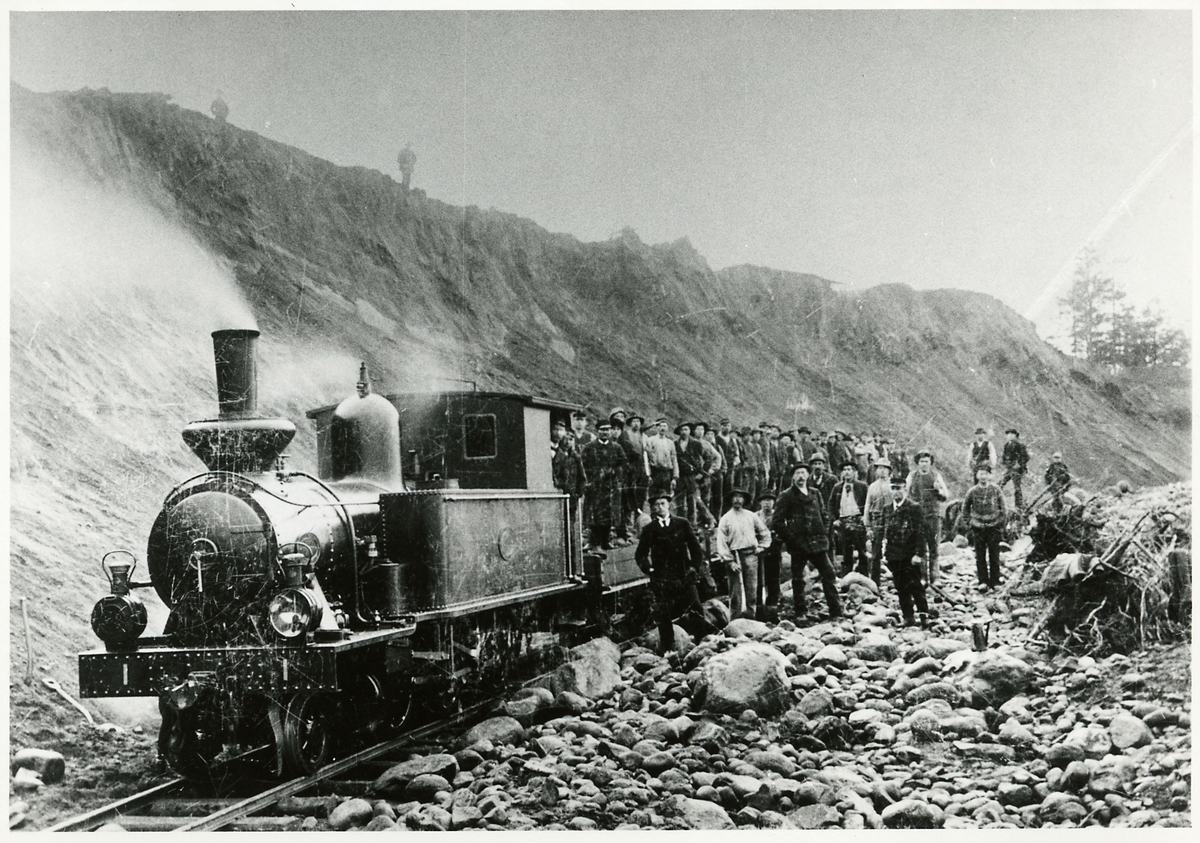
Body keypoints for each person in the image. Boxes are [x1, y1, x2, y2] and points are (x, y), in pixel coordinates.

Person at [635, 491, 710, 654]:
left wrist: (694, 567)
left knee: (696, 608)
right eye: (656, 505)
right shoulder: (649, 529)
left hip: (684, 575)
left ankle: (702, 643)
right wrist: (650, 569)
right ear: (653, 509)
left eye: (663, 503)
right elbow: (640, 555)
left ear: (669, 505)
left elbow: (695, 548)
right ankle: (668, 650)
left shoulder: (682, 523)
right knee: (663, 614)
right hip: (662, 579)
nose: (660, 507)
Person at [772, 463, 842, 623]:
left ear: (808, 475)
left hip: (818, 543)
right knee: (798, 579)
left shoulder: (815, 493)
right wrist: (792, 539)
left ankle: (836, 611)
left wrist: (824, 532)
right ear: (793, 477)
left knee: (829, 574)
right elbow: (777, 522)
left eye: (803, 473)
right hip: (798, 546)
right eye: (797, 473)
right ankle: (800, 612)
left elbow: (824, 515)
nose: (801, 476)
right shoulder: (786, 495)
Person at [883, 478, 936, 626]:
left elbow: (921, 532)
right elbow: (885, 532)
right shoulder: (887, 509)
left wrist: (919, 554)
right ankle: (908, 617)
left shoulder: (914, 508)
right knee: (900, 587)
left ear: (905, 490)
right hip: (894, 554)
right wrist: (883, 552)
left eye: (899, 488)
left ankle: (924, 616)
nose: (896, 492)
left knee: (915, 585)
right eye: (893, 488)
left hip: (910, 554)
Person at [716, 488, 772, 620]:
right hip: (735, 557)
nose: (737, 500)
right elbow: (721, 542)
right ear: (731, 500)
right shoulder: (726, 519)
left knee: (752, 590)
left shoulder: (751, 516)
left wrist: (761, 547)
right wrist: (730, 561)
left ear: (744, 500)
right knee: (736, 593)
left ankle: (751, 618)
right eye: (735, 497)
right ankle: (735, 621)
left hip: (751, 555)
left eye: (740, 497)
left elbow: (765, 533)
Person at [906, 450, 950, 586]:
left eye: (926, 461)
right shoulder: (912, 476)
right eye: (921, 461)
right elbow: (906, 494)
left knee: (934, 547)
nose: (924, 464)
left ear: (930, 463)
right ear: (917, 463)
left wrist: (938, 490)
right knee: (920, 548)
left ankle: (935, 577)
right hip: (917, 516)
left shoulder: (936, 476)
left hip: (933, 515)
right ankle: (923, 577)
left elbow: (946, 495)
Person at [581, 419, 627, 549]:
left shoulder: (616, 448)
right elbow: (583, 465)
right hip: (594, 487)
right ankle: (593, 541)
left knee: (608, 514)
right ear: (597, 431)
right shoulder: (589, 447)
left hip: (610, 487)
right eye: (602, 430)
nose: (605, 432)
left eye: (607, 429)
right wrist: (592, 477)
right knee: (594, 514)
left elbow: (624, 464)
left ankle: (606, 541)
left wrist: (614, 473)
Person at [962, 464, 1006, 590]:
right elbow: (965, 508)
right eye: (981, 473)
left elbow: (1003, 508)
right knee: (980, 555)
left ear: (990, 476)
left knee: (994, 554)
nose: (983, 476)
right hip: (978, 527)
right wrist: (970, 522)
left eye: (986, 474)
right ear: (977, 476)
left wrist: (1000, 522)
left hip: (993, 526)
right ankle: (983, 581)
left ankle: (995, 581)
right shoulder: (972, 491)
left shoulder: (996, 490)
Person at [830, 462, 869, 577]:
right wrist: (835, 519)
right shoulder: (837, 487)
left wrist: (865, 517)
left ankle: (864, 576)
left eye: (849, 470)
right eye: (844, 470)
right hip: (843, 521)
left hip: (858, 520)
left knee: (862, 551)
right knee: (846, 552)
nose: (847, 472)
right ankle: (846, 577)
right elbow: (831, 504)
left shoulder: (862, 486)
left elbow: (868, 503)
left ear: (854, 472)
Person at [862, 458, 894, 587]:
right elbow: (867, 506)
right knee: (875, 552)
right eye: (879, 468)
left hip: (891, 520)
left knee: (894, 549)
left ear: (889, 471)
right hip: (876, 519)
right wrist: (867, 526)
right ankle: (875, 582)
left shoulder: (893, 485)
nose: (882, 471)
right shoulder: (872, 487)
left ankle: (897, 580)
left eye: (885, 468)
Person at [618, 412, 650, 534]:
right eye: (634, 421)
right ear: (630, 423)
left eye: (638, 422)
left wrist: (647, 472)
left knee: (640, 498)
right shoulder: (625, 435)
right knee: (628, 497)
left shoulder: (644, 436)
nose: (636, 424)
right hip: (629, 469)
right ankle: (627, 525)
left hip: (641, 469)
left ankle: (639, 525)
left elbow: (647, 455)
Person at [674, 423, 710, 527]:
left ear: (690, 431)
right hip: (680, 476)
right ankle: (680, 525)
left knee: (692, 502)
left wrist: (701, 474)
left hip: (692, 476)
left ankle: (692, 526)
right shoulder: (675, 444)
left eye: (686, 429)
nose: (684, 432)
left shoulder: (696, 444)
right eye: (682, 430)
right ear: (679, 432)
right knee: (679, 502)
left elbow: (708, 458)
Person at [755, 489, 782, 621]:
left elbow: (783, 533)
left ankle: (772, 611)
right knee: (758, 581)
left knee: (773, 581)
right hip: (758, 553)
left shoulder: (778, 516)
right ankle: (758, 610)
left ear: (774, 502)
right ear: (760, 502)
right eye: (764, 500)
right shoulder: (754, 517)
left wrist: (775, 537)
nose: (767, 503)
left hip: (773, 552)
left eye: (770, 500)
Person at [644, 418, 678, 501]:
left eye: (665, 426)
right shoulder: (650, 440)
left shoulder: (670, 442)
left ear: (667, 428)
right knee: (653, 497)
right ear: (657, 428)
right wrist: (648, 475)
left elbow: (674, 460)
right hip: (655, 473)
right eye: (660, 426)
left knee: (666, 497)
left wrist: (674, 477)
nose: (663, 428)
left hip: (666, 473)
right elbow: (647, 459)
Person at [998, 428, 1030, 510]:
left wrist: (1019, 465)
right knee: (1000, 483)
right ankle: (996, 500)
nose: (1009, 436)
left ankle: (1019, 505)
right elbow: (1004, 456)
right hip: (1009, 468)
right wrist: (1004, 464)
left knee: (1016, 487)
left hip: (1016, 470)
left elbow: (1026, 457)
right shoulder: (1007, 445)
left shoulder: (1020, 445)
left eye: (1012, 434)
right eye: (1008, 434)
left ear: (1016, 436)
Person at [552, 431, 587, 504]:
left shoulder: (575, 457)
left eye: (570, 439)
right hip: (559, 496)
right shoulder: (555, 455)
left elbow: (582, 478)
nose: (567, 442)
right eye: (565, 439)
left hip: (572, 497)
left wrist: (578, 493)